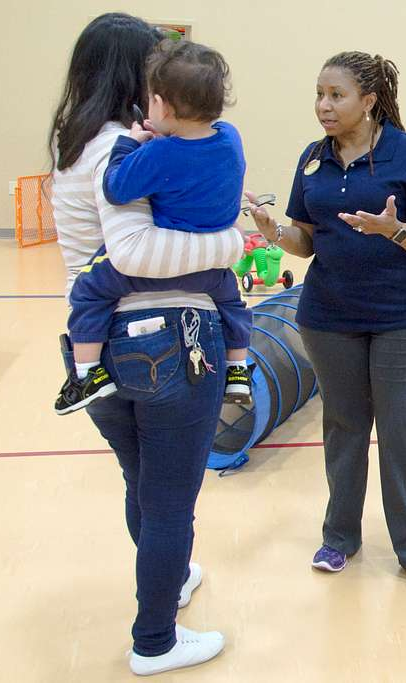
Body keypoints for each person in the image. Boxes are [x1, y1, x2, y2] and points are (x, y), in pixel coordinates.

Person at [50, 13, 245, 674]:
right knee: (168, 501)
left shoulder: (75, 143)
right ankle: (155, 638)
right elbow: (136, 249)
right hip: (163, 341)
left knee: (145, 485)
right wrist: (230, 246)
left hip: (99, 343)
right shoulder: (120, 148)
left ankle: (172, 579)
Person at [244, 51, 406, 592]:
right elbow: (305, 241)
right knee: (344, 427)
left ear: (369, 100)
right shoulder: (313, 159)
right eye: (319, 94)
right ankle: (339, 538)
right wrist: (272, 231)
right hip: (330, 317)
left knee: (405, 428)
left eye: (336, 95)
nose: (323, 105)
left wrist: (392, 230)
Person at [54, 39, 253, 416]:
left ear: (160, 105)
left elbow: (116, 188)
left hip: (156, 270)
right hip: (212, 273)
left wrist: (130, 146)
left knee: (90, 288)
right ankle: (238, 367)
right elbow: (197, 157)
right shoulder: (230, 138)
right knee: (235, 303)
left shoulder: (159, 153)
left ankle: (86, 373)